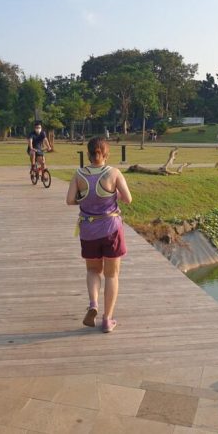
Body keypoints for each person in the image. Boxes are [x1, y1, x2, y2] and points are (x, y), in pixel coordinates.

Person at [66, 137, 132, 333]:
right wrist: (113, 195)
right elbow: (128, 199)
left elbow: (70, 200)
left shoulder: (79, 174)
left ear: (88, 154)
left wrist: (86, 199)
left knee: (93, 270)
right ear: (106, 154)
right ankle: (107, 319)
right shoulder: (114, 173)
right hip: (111, 228)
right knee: (112, 275)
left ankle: (93, 303)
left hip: (88, 230)